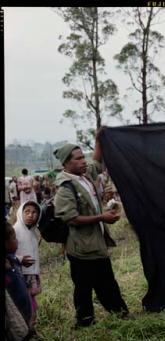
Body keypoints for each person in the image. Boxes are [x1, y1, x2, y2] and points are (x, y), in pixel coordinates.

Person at [53, 127, 129, 328]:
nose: (83, 161)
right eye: (77, 158)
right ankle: (85, 321)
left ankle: (118, 312)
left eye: (82, 157)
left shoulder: (84, 176)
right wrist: (101, 217)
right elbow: (71, 218)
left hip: (94, 242)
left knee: (106, 281)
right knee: (84, 286)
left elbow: (96, 160)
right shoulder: (65, 187)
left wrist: (98, 139)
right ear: (66, 163)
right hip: (81, 246)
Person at [5, 222, 34, 341]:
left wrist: (20, 259)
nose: (17, 240)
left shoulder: (11, 260)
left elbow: (15, 259)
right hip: (13, 326)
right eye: (14, 237)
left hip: (23, 318)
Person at [14, 200, 42, 327]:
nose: (31, 215)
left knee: (31, 303)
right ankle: (25, 329)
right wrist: (20, 259)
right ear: (20, 213)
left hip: (31, 274)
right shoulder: (14, 231)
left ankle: (31, 328)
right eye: (27, 212)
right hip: (19, 275)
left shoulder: (33, 232)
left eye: (35, 212)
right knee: (23, 304)